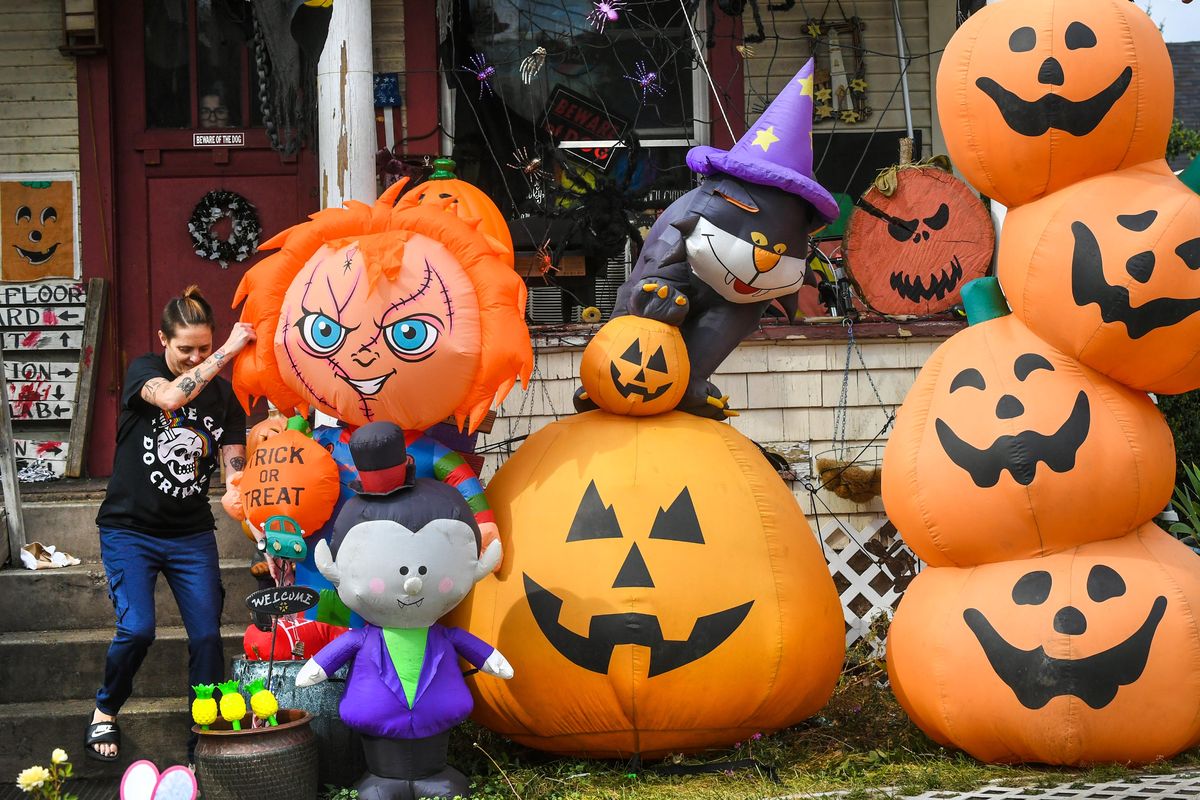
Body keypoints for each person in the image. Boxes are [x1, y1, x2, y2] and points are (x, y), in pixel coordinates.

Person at [86, 286, 255, 763]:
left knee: (206, 637)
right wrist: (227, 352)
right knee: (138, 629)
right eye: (186, 349)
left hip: (190, 534)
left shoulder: (227, 397)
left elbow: (233, 465)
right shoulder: (145, 370)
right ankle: (105, 709)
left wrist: (243, 499)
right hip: (129, 530)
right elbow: (171, 399)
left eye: (204, 347)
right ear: (163, 339)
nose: (195, 357)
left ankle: (203, 738)